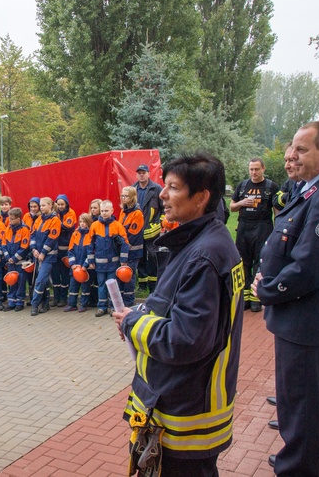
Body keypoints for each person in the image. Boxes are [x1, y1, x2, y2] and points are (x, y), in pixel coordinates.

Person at [113, 152, 243, 476]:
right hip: (181, 402)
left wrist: (132, 322)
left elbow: (184, 340)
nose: (162, 194)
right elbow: (173, 304)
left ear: (201, 198)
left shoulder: (204, 255)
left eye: (173, 187)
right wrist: (142, 311)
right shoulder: (203, 241)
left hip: (182, 414)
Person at [252, 122, 319, 475]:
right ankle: (299, 456)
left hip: (306, 318)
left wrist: (267, 290)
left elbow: (310, 267)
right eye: (292, 150)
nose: (291, 156)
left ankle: (300, 467)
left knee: (301, 403)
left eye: (301, 149)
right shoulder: (313, 190)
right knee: (299, 399)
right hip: (299, 317)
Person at [230, 158, 280, 312]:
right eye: (251, 169)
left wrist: (276, 231)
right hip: (244, 226)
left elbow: (277, 212)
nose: (254, 172)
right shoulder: (243, 186)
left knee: (260, 262)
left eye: (257, 169)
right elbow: (232, 207)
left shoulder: (271, 187)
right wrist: (241, 203)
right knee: (243, 261)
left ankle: (255, 298)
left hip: (263, 226)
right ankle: (244, 299)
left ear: (263, 169)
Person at [88, 200, 129, 317]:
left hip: (113, 263)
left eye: (106, 211)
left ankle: (113, 307)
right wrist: (91, 261)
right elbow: (89, 244)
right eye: (102, 211)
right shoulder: (94, 226)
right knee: (101, 285)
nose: (104, 213)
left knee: (112, 285)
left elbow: (125, 244)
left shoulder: (117, 225)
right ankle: (102, 307)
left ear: (112, 211)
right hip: (99, 264)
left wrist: (123, 261)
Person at [133, 164, 164, 293]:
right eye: (139, 172)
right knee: (139, 257)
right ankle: (142, 285)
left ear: (148, 174)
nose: (141, 174)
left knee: (152, 256)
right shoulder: (133, 189)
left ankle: (153, 285)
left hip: (152, 230)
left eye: (143, 172)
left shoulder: (156, 189)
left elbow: (164, 208)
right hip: (137, 231)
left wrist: (160, 222)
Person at [30, 197, 61, 316]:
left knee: (40, 280)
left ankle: (34, 304)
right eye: (40, 206)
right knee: (44, 281)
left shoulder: (55, 220)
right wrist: (33, 249)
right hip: (37, 255)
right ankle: (46, 303)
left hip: (48, 256)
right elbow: (32, 235)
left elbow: (52, 239)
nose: (41, 208)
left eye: (43, 205)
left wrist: (42, 252)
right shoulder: (38, 219)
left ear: (50, 205)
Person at [119, 186, 145, 307]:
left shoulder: (137, 213)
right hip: (123, 249)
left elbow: (133, 234)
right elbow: (119, 229)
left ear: (132, 197)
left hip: (133, 250)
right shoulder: (123, 211)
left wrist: (119, 239)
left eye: (126, 196)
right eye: (122, 196)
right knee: (122, 275)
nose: (123, 198)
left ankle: (129, 301)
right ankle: (124, 300)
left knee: (129, 276)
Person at [2, 207, 31, 311]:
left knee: (21, 282)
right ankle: (11, 302)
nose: (10, 221)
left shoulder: (24, 229)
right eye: (10, 218)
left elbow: (24, 247)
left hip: (20, 262)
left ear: (19, 218)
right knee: (11, 281)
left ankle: (19, 302)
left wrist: (14, 258)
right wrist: (7, 257)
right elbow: (3, 244)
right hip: (10, 261)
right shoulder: (8, 229)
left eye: (12, 219)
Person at [63, 213, 92, 312]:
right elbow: (70, 249)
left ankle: (84, 304)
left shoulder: (91, 234)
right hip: (75, 266)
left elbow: (92, 252)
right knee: (73, 286)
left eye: (84, 222)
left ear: (88, 222)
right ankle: (72, 304)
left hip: (85, 267)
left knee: (85, 286)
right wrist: (72, 264)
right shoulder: (75, 233)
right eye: (80, 222)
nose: (82, 224)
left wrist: (85, 265)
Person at [52, 194, 76, 307]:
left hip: (66, 249)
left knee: (65, 275)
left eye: (62, 204)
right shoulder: (55, 213)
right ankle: (56, 298)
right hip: (56, 249)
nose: (60, 206)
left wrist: (57, 223)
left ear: (66, 204)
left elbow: (68, 227)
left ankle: (63, 298)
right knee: (55, 274)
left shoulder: (71, 213)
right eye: (59, 204)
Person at [272, 143, 302, 211]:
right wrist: (289, 196)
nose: (286, 166)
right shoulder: (290, 182)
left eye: (291, 160)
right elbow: (275, 200)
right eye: (286, 161)